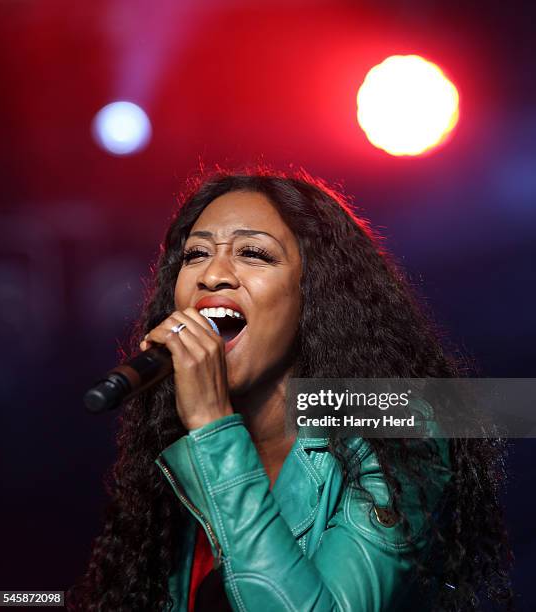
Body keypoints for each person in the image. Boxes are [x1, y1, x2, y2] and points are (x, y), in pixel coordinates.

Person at [67, 169, 513, 611]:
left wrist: (213, 426)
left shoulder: (400, 422)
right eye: (196, 254)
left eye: (254, 254)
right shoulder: (170, 445)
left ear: (314, 293)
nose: (212, 275)